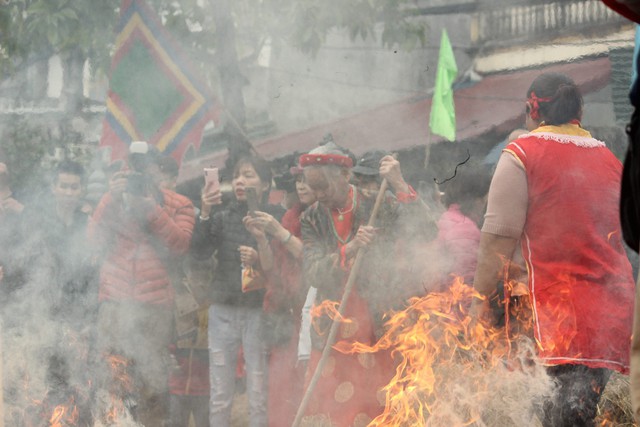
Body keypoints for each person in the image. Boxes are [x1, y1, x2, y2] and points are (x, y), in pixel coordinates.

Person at [471, 72, 635, 426]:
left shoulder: (520, 154)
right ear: (581, 112)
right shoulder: (611, 161)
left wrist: (477, 303)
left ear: (531, 109)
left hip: (555, 323)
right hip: (610, 320)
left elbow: (498, 239)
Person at [298, 141, 433, 426]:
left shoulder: (377, 203)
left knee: (381, 402)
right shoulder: (310, 217)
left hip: (377, 318)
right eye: (314, 188)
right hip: (333, 324)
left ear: (345, 176)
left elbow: (426, 230)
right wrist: (351, 248)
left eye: (324, 186)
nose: (319, 195)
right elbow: (312, 272)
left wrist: (398, 182)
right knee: (332, 408)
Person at [88, 142, 195, 426]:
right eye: (135, 163)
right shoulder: (112, 199)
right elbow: (91, 244)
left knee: (152, 382)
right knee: (112, 379)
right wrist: (110, 199)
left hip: (155, 306)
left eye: (146, 163)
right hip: (114, 301)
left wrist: (151, 209)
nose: (140, 169)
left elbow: (181, 245)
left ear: (157, 167)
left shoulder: (177, 203)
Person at [190, 155, 284, 427]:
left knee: (257, 389)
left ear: (266, 184)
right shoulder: (222, 217)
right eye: (237, 176)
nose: (241, 181)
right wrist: (205, 212)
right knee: (220, 391)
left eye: (249, 175)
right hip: (222, 311)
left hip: (258, 312)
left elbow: (285, 267)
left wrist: (260, 254)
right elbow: (198, 253)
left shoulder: (275, 218)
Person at [242, 163, 316, 427]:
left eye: (308, 181)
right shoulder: (288, 218)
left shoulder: (325, 216)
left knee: (311, 388)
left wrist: (280, 233)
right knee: (281, 387)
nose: (300, 186)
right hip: (284, 313)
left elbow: (315, 261)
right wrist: (262, 239)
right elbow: (272, 268)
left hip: (315, 314)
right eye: (298, 181)